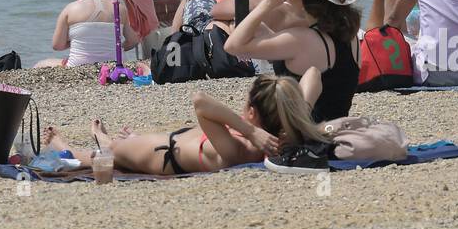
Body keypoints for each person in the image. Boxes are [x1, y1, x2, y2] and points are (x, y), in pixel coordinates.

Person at [41, 75, 325, 175]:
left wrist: (250, 130)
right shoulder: (282, 137)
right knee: (126, 143)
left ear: (251, 112)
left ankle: (64, 144)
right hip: (180, 140)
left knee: (103, 156)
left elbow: (200, 100)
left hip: (161, 155)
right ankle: (112, 141)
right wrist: (300, 116)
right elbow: (314, 75)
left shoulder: (242, 148)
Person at [224, 0, 362, 121]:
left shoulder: (300, 39)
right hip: (333, 128)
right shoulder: (350, 35)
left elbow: (232, 46)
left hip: (300, 135)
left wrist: (268, 3)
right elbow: (297, 52)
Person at [33, 0, 139, 68]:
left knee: (42, 64)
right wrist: (115, 47)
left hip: (78, 66)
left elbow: (57, 45)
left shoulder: (70, 8)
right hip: (115, 65)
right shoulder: (119, 7)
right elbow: (133, 40)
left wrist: (79, 40)